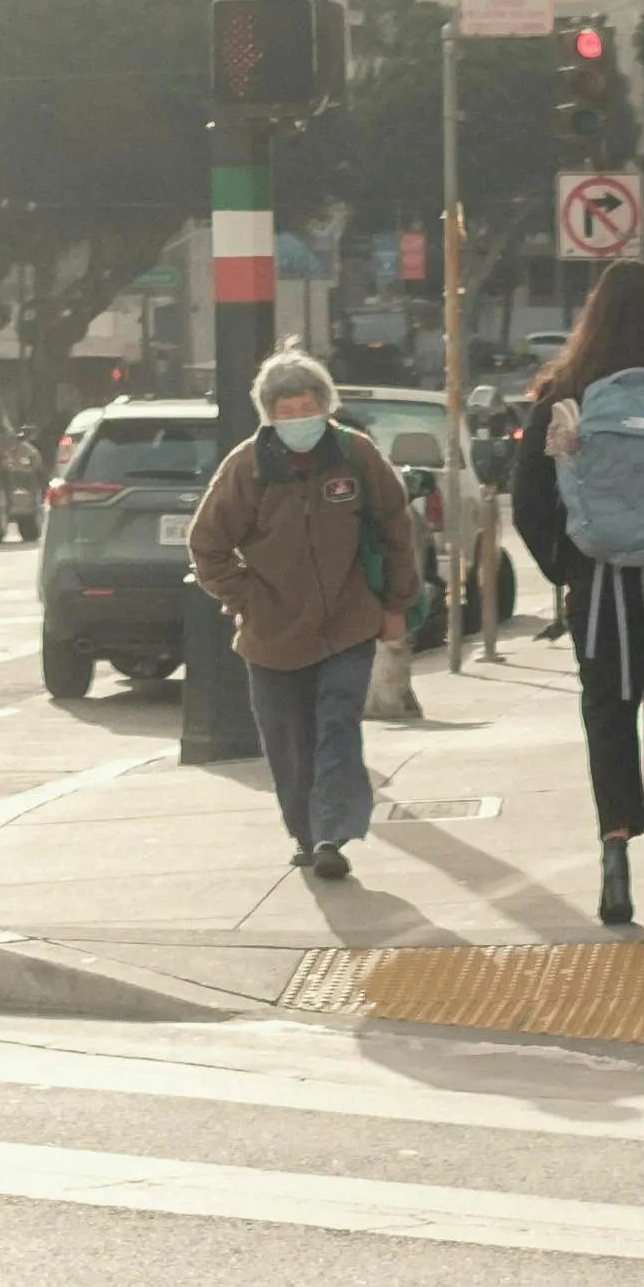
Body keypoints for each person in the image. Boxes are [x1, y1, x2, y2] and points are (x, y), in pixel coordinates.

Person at [507, 256, 644, 925]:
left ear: (591, 318)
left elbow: (527, 502)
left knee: (606, 710)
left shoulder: (565, 392)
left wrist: (567, 566)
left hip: (596, 584)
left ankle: (613, 853)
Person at [183, 346, 421, 887]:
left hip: (347, 623)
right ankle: (305, 835)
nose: (298, 420)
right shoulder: (246, 466)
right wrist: (245, 597)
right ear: (269, 413)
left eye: (306, 407)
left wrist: (396, 605)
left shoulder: (356, 455)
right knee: (287, 740)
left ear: (325, 405)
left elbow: (395, 528)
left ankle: (330, 835)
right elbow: (207, 544)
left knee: (337, 726)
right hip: (271, 635)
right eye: (286, 411)